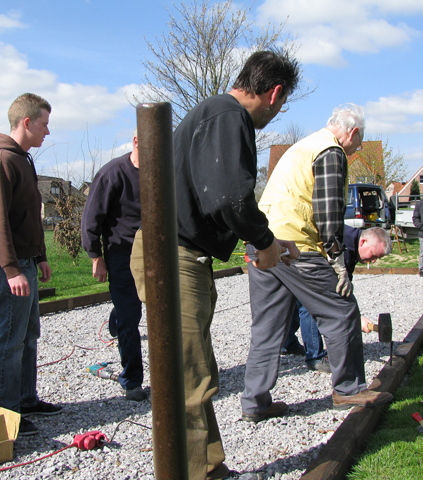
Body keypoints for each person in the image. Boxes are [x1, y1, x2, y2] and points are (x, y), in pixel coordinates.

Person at [130, 50, 301, 480]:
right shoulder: (228, 115)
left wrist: (269, 239)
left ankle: (207, 466)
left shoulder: (215, 113)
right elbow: (228, 198)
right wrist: (263, 242)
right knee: (187, 376)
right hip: (173, 257)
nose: (276, 113)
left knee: (197, 368)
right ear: (275, 93)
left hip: (180, 253)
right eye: (281, 104)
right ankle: (194, 474)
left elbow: (214, 198)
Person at [241, 104, 393, 423]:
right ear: (352, 132)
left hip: (262, 241)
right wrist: (337, 262)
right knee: (342, 310)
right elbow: (328, 211)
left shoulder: (304, 146)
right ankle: (348, 389)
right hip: (293, 243)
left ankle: (255, 402)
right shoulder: (330, 151)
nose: (359, 148)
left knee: (267, 327)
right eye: (360, 141)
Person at [0, 93, 62, 438]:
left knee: (28, 335)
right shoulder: (2, 160)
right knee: (11, 340)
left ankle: (26, 400)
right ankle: (6, 414)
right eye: (44, 124)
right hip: (9, 268)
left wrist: (40, 256)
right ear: (26, 122)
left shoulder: (22, 159)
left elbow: (28, 215)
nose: (47, 131)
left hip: (26, 262)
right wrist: (11, 269)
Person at [81, 130, 146, 401]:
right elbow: (91, 219)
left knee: (163, 315)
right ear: (136, 141)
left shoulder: (164, 173)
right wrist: (96, 256)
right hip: (122, 254)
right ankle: (132, 380)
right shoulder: (112, 174)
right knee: (129, 318)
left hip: (156, 253)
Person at [283, 226, 393, 373]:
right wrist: (356, 318)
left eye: (377, 258)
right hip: (296, 256)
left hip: (297, 257)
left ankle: (288, 343)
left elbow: (344, 287)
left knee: (298, 301)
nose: (373, 261)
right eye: (373, 255)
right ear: (363, 242)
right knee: (311, 305)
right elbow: (334, 293)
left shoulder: (353, 247)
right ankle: (315, 358)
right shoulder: (344, 246)